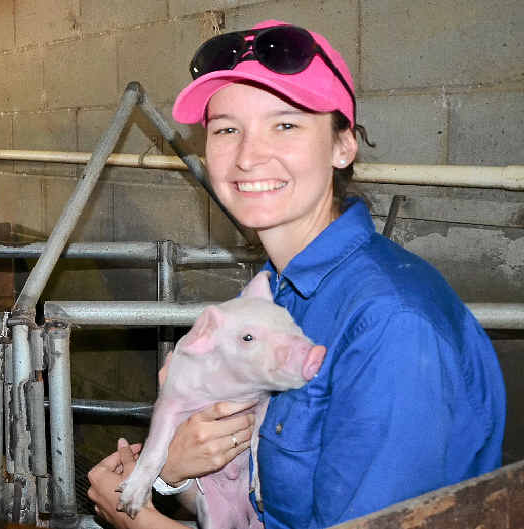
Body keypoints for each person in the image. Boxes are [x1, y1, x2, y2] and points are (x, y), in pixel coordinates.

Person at [87, 19, 506, 529]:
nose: (247, 155)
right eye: (225, 129)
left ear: (342, 145)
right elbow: (264, 505)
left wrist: (141, 522)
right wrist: (170, 472)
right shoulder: (272, 293)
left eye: (285, 124)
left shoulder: (392, 324)